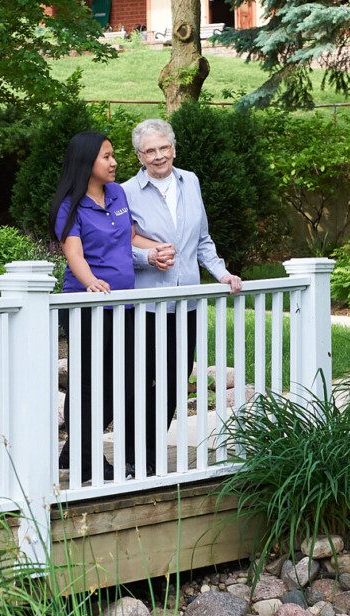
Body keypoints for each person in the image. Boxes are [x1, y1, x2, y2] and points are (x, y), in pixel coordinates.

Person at [122, 118, 242, 475]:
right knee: (141, 380)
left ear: (173, 148)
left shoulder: (190, 182)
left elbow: (202, 240)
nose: (159, 156)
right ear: (139, 156)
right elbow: (118, 245)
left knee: (175, 380)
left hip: (186, 302)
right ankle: (134, 454)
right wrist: (148, 257)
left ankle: (152, 447)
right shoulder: (126, 192)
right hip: (146, 304)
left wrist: (221, 272)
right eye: (150, 151)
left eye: (164, 148)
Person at [50, 131, 163, 481]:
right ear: (86, 163)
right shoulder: (68, 205)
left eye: (113, 155)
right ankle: (86, 460)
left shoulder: (116, 193)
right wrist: (91, 283)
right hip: (88, 306)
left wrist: (158, 247)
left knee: (120, 381)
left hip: (123, 306)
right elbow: (74, 253)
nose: (114, 163)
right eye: (106, 157)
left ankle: (74, 452)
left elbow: (129, 236)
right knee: (88, 383)